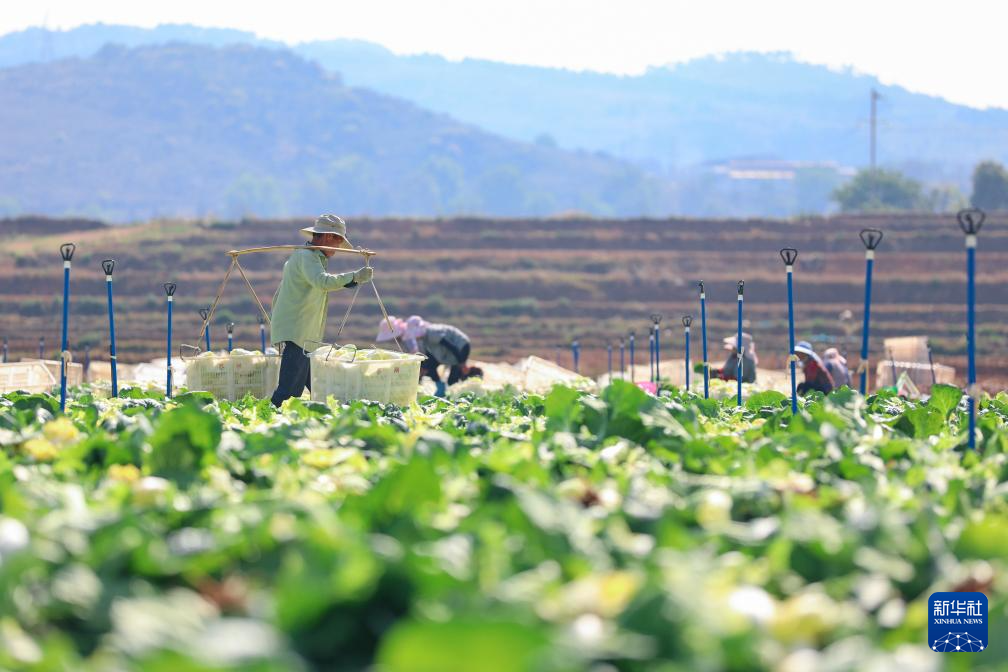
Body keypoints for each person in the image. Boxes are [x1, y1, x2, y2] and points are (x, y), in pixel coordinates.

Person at [270, 214, 373, 406]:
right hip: (297, 331)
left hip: (305, 333)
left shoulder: (311, 257)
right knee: (288, 392)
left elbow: (323, 282)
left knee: (320, 386)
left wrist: (354, 280)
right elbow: (322, 282)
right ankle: (270, 416)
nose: (338, 248)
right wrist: (355, 276)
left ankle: (331, 412)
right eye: (338, 241)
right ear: (327, 237)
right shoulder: (306, 256)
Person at [384, 315, 481, 396]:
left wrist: (461, 362)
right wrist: (423, 369)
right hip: (448, 354)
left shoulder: (432, 332)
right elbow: (429, 357)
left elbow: (450, 346)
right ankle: (443, 389)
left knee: (454, 379)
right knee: (432, 368)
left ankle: (467, 390)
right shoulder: (425, 339)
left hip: (461, 348)